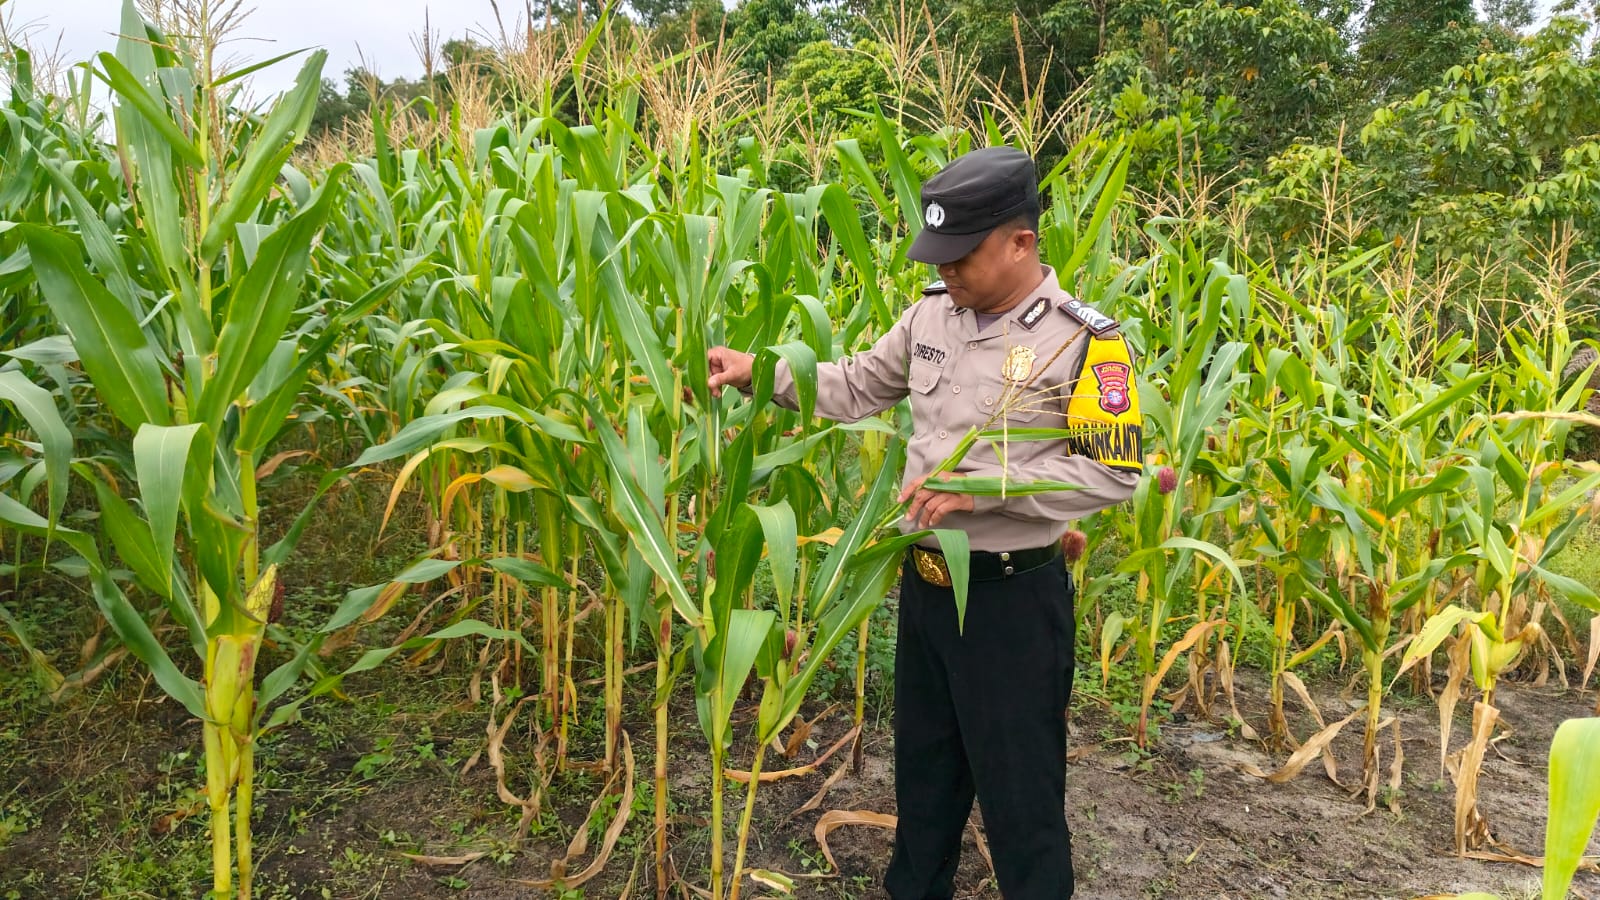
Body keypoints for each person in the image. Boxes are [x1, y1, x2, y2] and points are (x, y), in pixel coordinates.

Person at [707, 146, 1143, 899]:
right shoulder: (932, 314)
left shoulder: (1085, 342)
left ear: (1021, 242)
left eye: (962, 254)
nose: (945, 268)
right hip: (927, 589)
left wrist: (987, 491)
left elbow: (1115, 472)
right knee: (924, 781)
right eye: (938, 253)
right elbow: (855, 386)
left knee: (1020, 799)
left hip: (1011, 604)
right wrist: (761, 372)